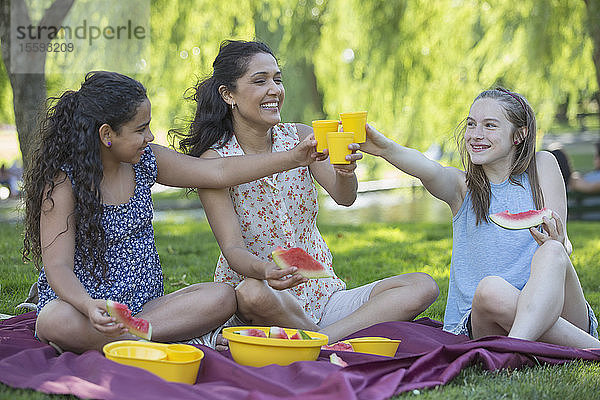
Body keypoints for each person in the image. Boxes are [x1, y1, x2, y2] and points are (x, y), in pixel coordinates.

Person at [22, 71, 324, 354]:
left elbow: (217, 171)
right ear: (106, 134)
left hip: (147, 310)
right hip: (86, 309)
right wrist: (88, 305)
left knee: (222, 295)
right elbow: (57, 266)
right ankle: (166, 341)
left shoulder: (146, 161)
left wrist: (293, 157)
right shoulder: (63, 184)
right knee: (53, 319)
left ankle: (133, 339)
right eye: (141, 130)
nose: (150, 137)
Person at [175, 40, 439, 344]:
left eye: (277, 79)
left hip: (325, 296)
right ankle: (333, 336)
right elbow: (232, 249)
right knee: (249, 293)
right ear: (228, 94)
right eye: (260, 81)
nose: (274, 89)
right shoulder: (214, 162)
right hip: (267, 296)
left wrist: (345, 172)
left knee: (423, 285)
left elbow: (345, 197)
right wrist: (266, 271)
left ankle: (321, 339)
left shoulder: (300, 137)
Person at [359, 88, 600, 348]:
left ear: (520, 134)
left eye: (490, 125)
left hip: (560, 308)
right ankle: (581, 346)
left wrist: (559, 240)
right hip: (488, 318)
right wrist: (384, 148)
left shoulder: (543, 166)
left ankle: (515, 346)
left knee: (552, 251)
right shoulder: (462, 187)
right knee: (489, 290)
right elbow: (427, 167)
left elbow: (561, 247)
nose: (475, 134)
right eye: (471, 124)